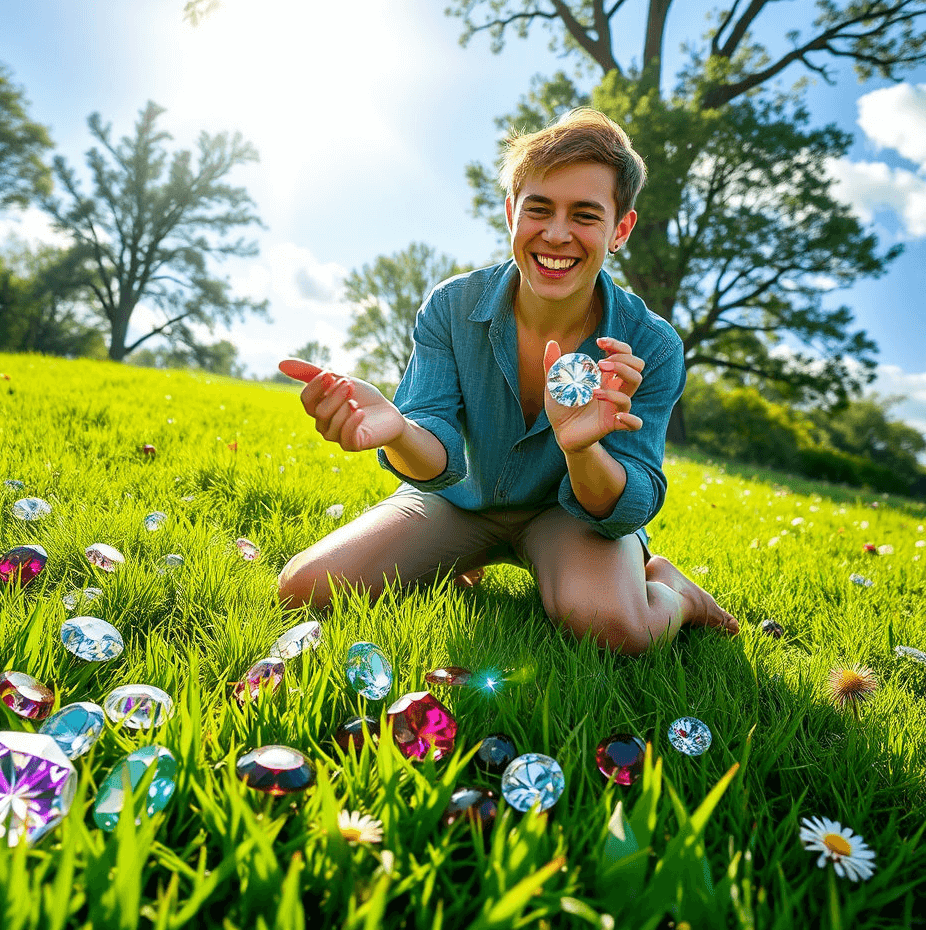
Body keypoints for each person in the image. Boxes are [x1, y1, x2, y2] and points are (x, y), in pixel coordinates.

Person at [277, 108, 738, 655]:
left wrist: (581, 448)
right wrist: (400, 430)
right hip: (457, 501)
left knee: (617, 631)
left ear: (620, 230)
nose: (557, 234)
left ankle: (675, 594)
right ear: (510, 213)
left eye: (585, 215)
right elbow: (435, 449)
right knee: (306, 589)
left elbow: (630, 504)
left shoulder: (651, 345)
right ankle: (459, 562)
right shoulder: (452, 306)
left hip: (569, 518)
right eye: (538, 209)